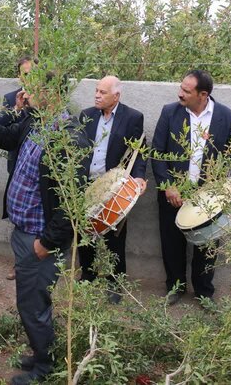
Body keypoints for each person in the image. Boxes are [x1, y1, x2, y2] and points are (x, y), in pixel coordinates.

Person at [0, 72, 91, 385]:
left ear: (51, 93)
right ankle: (43, 354)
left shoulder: (68, 135)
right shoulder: (36, 121)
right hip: (24, 230)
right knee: (32, 301)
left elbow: (71, 200)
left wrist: (48, 242)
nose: (25, 93)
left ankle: (44, 369)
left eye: (32, 88)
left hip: (40, 239)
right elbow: (6, 137)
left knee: (34, 304)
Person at [151, 69, 231, 305]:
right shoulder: (170, 112)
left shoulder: (227, 117)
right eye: (181, 88)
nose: (180, 93)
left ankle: (204, 294)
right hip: (173, 193)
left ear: (203, 94)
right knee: (171, 243)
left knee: (207, 247)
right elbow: (157, 153)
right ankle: (174, 288)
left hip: (209, 195)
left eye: (186, 91)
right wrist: (168, 185)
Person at [78, 76, 147, 304]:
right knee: (84, 232)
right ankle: (87, 274)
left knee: (114, 236)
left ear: (116, 96)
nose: (97, 95)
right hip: (87, 184)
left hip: (114, 187)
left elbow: (139, 151)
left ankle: (115, 283)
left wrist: (138, 177)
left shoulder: (132, 118)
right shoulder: (86, 115)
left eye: (103, 92)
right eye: (96, 91)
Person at [0, 56, 38, 280]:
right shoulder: (12, 98)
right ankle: (18, 264)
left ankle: (36, 262)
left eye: (34, 73)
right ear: (19, 76)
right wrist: (16, 109)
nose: (30, 78)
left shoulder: (46, 97)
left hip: (38, 166)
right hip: (18, 164)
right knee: (17, 213)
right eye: (26, 74)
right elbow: (3, 127)